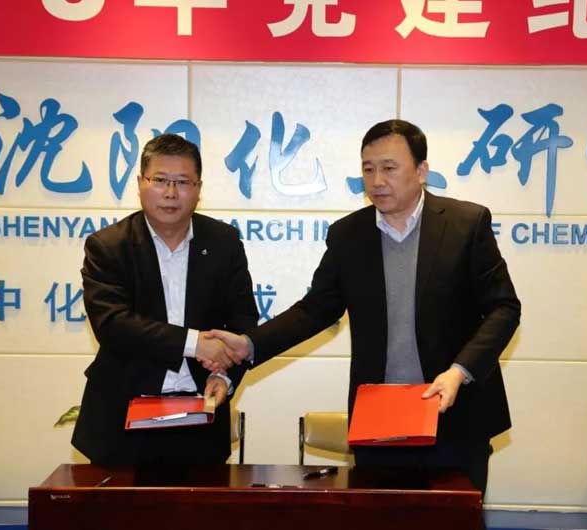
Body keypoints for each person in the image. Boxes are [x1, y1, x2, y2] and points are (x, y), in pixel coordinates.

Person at [209, 119, 520, 496]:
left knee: (452, 520)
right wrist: (250, 344)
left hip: (456, 415)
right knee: (380, 519)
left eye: (389, 168)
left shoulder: (466, 224)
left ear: (421, 170)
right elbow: (315, 310)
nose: (377, 181)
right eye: (368, 169)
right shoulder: (349, 235)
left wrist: (460, 371)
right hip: (380, 422)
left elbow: (504, 308)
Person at [72, 134, 258, 467]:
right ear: (140, 184)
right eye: (160, 180)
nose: (171, 193)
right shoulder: (108, 246)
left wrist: (224, 376)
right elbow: (112, 324)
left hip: (201, 419)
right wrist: (195, 344)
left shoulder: (223, 242)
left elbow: (243, 320)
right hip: (122, 420)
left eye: (183, 182)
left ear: (199, 189)